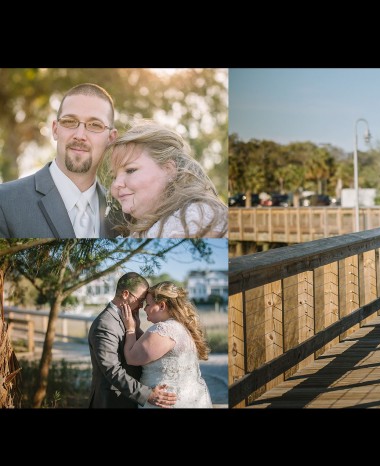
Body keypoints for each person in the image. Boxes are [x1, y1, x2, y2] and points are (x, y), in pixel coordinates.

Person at [0, 83, 118, 238]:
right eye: (70, 121)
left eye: (95, 125)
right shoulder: (5, 202)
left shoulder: (123, 214)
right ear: (55, 129)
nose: (80, 135)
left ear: (110, 138)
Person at [104, 122, 227, 238]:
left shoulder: (195, 217)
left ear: (168, 169)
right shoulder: (140, 228)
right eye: (114, 177)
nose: (117, 184)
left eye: (130, 170)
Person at [88, 272, 177, 408]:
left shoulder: (128, 318)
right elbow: (112, 370)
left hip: (128, 398)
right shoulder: (105, 324)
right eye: (140, 300)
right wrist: (147, 394)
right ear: (125, 294)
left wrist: (136, 328)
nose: (141, 306)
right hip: (112, 401)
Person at [121, 281, 212, 408]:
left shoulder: (163, 329)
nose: (144, 308)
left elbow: (131, 358)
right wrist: (137, 328)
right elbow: (149, 347)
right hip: (190, 399)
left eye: (148, 304)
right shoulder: (180, 327)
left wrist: (130, 329)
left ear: (162, 305)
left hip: (166, 403)